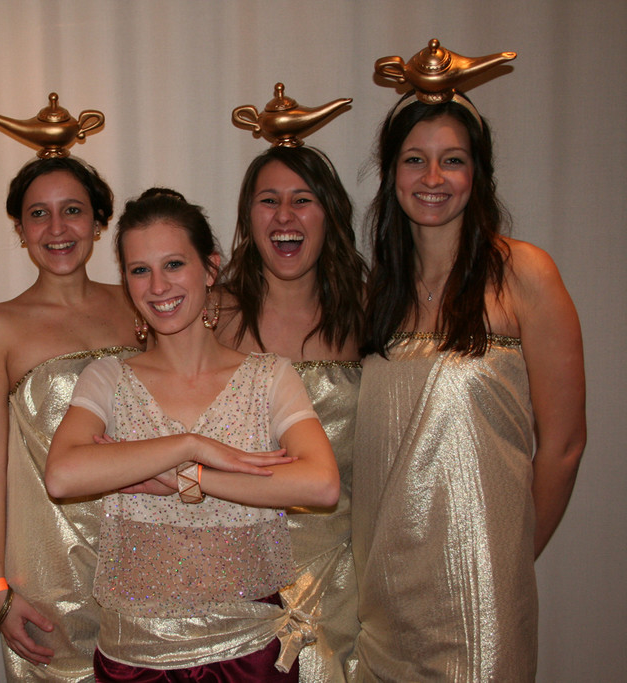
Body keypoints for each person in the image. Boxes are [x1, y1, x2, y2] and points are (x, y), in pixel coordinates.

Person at [46, 188, 339, 681]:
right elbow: (62, 475)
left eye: (174, 265)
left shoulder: (269, 377)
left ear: (210, 269)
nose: (158, 286)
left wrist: (189, 478)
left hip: (248, 653)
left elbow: (321, 484)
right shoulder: (108, 377)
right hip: (137, 659)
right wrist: (190, 445)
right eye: (140, 270)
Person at [351, 85, 586, 681]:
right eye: (415, 159)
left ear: (477, 173)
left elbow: (564, 445)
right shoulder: (376, 294)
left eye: (452, 159)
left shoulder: (524, 273)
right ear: (391, 173)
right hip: (380, 600)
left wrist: (506, 558)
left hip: (479, 599)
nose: (433, 177)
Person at [0, 156, 139, 681]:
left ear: (99, 221)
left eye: (73, 211)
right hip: (51, 568)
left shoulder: (141, 304)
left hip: (152, 550)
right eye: (39, 214)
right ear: (21, 230)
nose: (57, 228)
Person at [219, 144, 365, 682]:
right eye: (269, 200)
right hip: (234, 574)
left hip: (347, 575)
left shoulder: (369, 312)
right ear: (247, 217)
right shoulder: (212, 314)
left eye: (302, 200)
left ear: (330, 214)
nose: (284, 216)